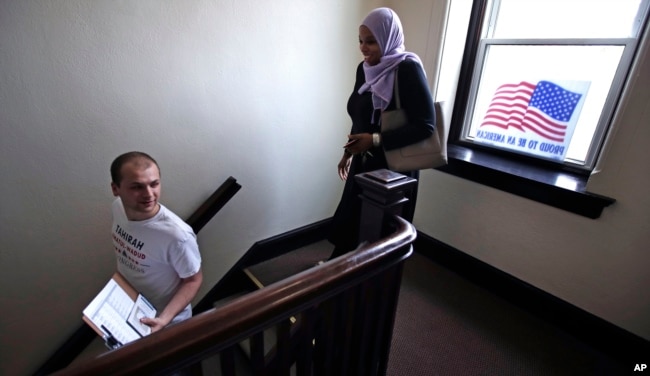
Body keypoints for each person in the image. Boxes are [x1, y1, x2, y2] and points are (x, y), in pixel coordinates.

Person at [328, 8, 436, 259]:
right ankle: (336, 279)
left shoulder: (407, 68)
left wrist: (375, 140)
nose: (364, 48)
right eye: (361, 41)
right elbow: (360, 116)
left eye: (371, 41)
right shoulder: (364, 69)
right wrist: (348, 152)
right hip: (364, 161)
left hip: (393, 169)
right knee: (352, 224)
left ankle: (362, 289)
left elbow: (425, 125)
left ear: (389, 38)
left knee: (378, 236)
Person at [110, 151, 203, 332]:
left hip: (166, 321)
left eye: (154, 184)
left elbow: (193, 280)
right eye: (137, 187)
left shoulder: (177, 236)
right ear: (116, 189)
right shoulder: (117, 208)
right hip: (129, 305)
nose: (149, 194)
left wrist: (163, 320)